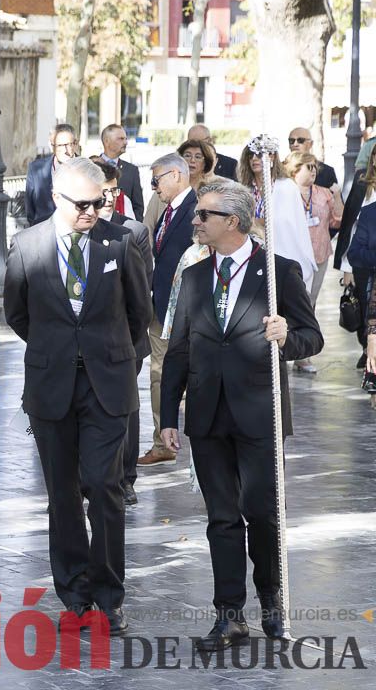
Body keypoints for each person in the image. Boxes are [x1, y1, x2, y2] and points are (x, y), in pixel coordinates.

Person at [161, 180, 322, 652]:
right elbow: (178, 351)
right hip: (208, 416)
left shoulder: (277, 273)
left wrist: (285, 334)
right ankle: (229, 616)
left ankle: (272, 604)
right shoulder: (193, 277)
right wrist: (168, 415)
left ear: (232, 221)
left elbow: (312, 339)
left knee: (263, 515)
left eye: (204, 214)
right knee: (222, 519)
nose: (196, 221)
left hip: (261, 415)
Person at [4, 158, 151, 635]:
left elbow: (138, 312)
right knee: (62, 494)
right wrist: (58, 350)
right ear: (56, 198)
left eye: (98, 202)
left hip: (108, 385)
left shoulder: (120, 240)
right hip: (52, 386)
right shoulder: (26, 246)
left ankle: (110, 597)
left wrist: (108, 353)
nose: (92, 211)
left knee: (104, 486)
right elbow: (18, 314)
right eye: (82, 204)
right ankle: (75, 597)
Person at [93, 159, 153, 505]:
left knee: (126, 410)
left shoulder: (134, 232)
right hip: (80, 345)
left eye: (112, 191)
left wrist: (127, 339)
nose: (107, 199)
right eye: (100, 192)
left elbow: (139, 293)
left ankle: (125, 477)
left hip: (125, 341)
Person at [138, 154, 195, 467]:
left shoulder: (196, 210)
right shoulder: (167, 210)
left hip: (186, 312)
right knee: (158, 374)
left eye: (157, 179)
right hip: (162, 308)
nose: (153, 187)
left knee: (181, 374)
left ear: (176, 175)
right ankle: (162, 440)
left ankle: (182, 438)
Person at [283, 151, 342, 373]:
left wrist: (336, 197)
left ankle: (303, 354)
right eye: (308, 167)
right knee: (290, 303)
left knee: (309, 304)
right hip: (291, 256)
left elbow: (338, 220)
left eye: (315, 167)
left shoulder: (324, 193)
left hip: (319, 255)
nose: (314, 171)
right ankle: (285, 347)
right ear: (295, 170)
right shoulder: (285, 193)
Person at [238, 142, 315, 294]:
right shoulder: (244, 189)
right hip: (250, 258)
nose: (254, 159)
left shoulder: (286, 187)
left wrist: (256, 222)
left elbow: (286, 224)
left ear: (272, 157)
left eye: (260, 155)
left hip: (283, 254)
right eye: (251, 155)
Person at [338, 157, 376, 368]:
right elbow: (349, 226)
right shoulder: (363, 186)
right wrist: (346, 268)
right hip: (364, 263)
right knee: (364, 307)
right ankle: (367, 349)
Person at [25, 123, 80, 226]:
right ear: (52, 146)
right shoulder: (36, 169)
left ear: (76, 144)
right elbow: (30, 209)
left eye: (69, 144)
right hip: (43, 232)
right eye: (60, 145)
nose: (65, 151)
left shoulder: (87, 169)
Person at [97, 123, 144, 220]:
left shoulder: (132, 171)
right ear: (106, 141)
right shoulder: (92, 167)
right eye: (121, 139)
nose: (126, 142)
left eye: (126, 139)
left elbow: (138, 207)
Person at [287, 126, 338, 192]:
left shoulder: (326, 171)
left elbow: (335, 200)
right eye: (291, 141)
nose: (295, 144)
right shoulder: (282, 169)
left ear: (310, 144)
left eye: (300, 140)